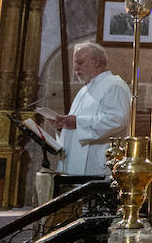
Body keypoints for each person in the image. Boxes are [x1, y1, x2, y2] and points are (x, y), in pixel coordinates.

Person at [41, 42, 131, 176]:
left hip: (96, 164)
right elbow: (76, 124)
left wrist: (77, 122)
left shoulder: (115, 86)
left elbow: (117, 120)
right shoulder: (84, 90)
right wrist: (63, 126)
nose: (75, 67)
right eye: (75, 63)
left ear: (96, 62)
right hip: (73, 164)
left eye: (80, 62)